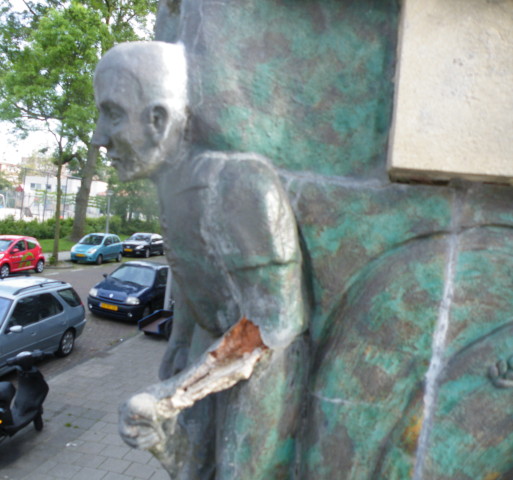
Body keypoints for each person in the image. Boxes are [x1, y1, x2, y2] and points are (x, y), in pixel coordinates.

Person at [92, 41, 309, 479]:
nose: (98, 136)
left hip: (264, 373)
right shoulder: (172, 190)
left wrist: (174, 393)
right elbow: (196, 294)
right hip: (209, 351)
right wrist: (164, 423)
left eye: (112, 114)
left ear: (158, 121)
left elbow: (277, 324)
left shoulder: (240, 185)